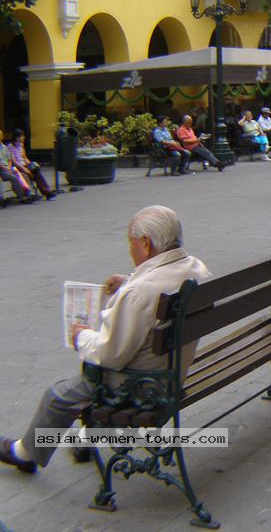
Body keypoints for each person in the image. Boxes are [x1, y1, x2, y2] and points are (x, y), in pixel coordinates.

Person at [0, 206, 210, 473]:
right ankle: (85, 438)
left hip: (142, 383)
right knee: (83, 383)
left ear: (146, 243)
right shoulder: (196, 268)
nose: (131, 250)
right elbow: (158, 288)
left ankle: (25, 453)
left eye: (132, 243)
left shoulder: (139, 292)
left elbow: (111, 354)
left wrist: (81, 337)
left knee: (59, 396)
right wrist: (129, 282)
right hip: (173, 370)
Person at [7, 128, 56, 199]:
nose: (24, 137)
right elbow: (14, 161)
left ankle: (47, 192)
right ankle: (30, 193)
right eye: (22, 136)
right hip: (17, 167)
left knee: (36, 171)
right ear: (17, 137)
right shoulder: (10, 146)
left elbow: (24, 157)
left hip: (24, 164)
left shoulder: (21, 145)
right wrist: (23, 169)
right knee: (26, 174)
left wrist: (30, 164)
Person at [0, 129, 38, 203]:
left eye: (1, 135)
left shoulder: (4, 147)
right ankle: (22, 197)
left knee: (21, 173)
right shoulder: (9, 146)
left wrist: (9, 167)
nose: (0, 136)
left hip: (8, 168)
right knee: (14, 177)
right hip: (2, 169)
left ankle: (29, 193)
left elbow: (10, 159)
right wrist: (5, 168)